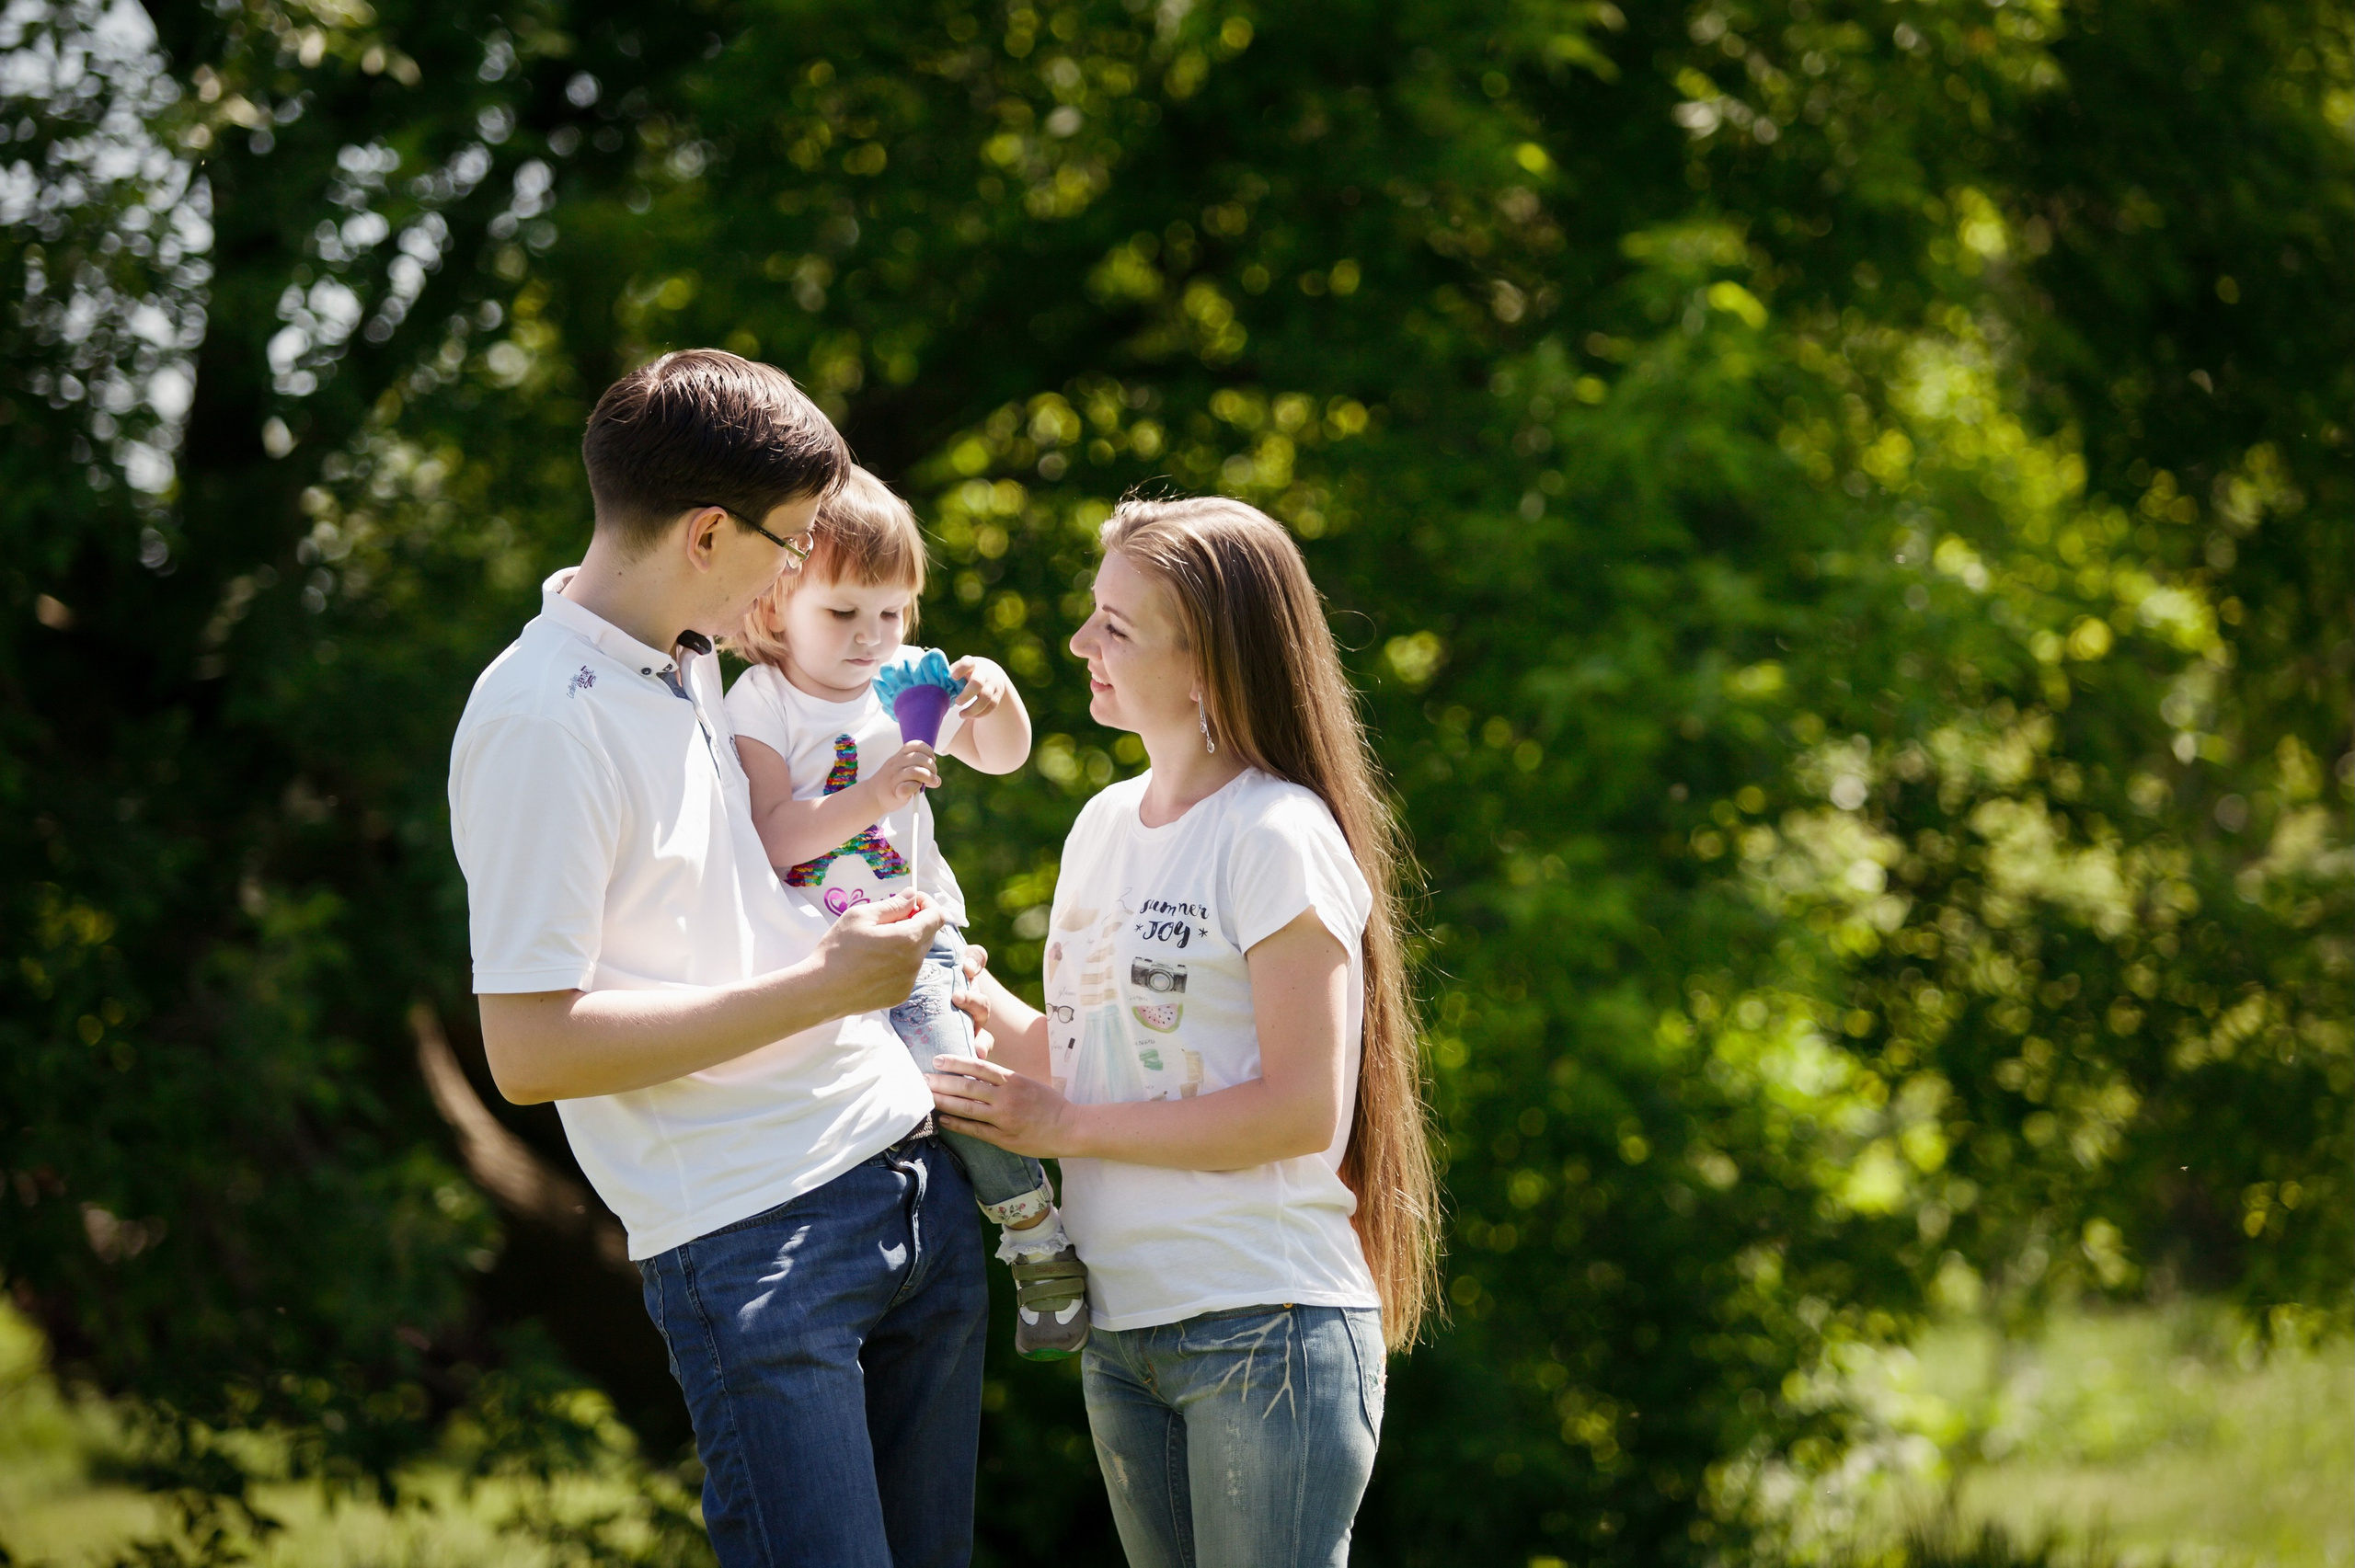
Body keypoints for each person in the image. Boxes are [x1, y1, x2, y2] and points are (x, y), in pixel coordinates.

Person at [446, 349, 986, 1568]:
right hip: (758, 1240)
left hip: (905, 1184)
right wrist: (824, 988)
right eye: (790, 542)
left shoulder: (690, 659)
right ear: (705, 532)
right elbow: (529, 1050)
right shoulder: (545, 721)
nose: (799, 572)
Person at [928, 495, 1442, 1568]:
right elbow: (1094, 1059)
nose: (1080, 645)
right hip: (1122, 1328)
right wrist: (972, 1005)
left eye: (1115, 627)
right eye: (1092, 615)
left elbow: (1302, 1111)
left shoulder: (1275, 836)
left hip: (1263, 1324)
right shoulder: (1103, 824)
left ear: (1209, 664)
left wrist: (1057, 1123)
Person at [722, 464, 1091, 1358]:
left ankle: (1034, 1231)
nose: (871, 635)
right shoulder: (762, 701)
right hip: (817, 952)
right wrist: (875, 790)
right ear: (776, 606)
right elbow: (776, 836)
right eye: (843, 612)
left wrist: (998, 702)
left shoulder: (902, 688)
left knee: (950, 1076)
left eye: (890, 612)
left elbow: (1002, 757)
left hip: (914, 932)